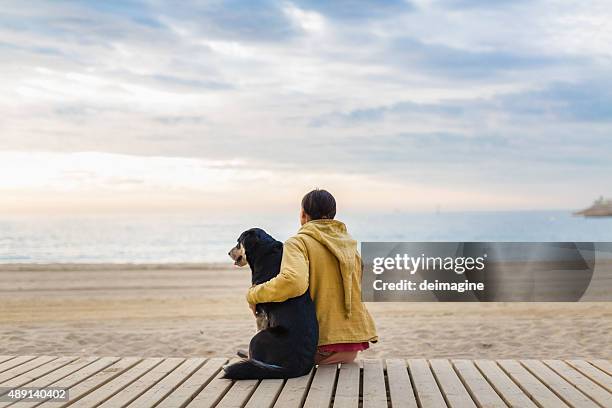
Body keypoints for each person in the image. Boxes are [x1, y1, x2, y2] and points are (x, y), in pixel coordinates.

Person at [246, 189, 378, 364]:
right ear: (333, 215)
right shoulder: (349, 244)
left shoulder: (298, 242)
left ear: (303, 214)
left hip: (318, 346)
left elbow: (292, 282)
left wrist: (253, 294)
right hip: (351, 347)